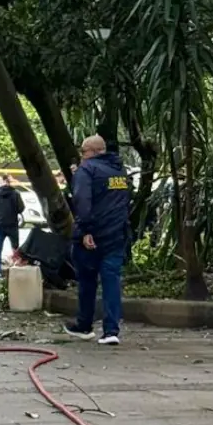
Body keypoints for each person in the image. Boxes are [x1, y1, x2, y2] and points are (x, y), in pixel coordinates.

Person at [64, 135, 131, 346]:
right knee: (111, 281)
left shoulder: (86, 170)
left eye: (83, 152)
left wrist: (85, 231)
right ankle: (111, 331)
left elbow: (82, 201)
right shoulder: (119, 170)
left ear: (92, 152)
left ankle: (84, 325)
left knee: (87, 280)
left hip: (92, 235)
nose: (82, 156)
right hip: (116, 234)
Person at [0, 174, 26, 276]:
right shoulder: (15, 193)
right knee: (15, 248)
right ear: (9, 182)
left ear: (1, 182)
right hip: (12, 224)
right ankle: (16, 270)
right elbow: (21, 208)